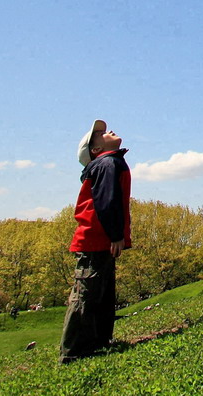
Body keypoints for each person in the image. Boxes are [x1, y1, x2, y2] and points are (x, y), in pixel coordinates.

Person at [59, 119, 132, 363]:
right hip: (95, 239)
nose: (108, 131)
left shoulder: (109, 162)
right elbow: (106, 201)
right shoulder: (108, 163)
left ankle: (98, 341)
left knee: (102, 293)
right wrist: (115, 234)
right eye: (100, 133)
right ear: (96, 150)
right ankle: (73, 353)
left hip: (99, 240)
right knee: (86, 295)